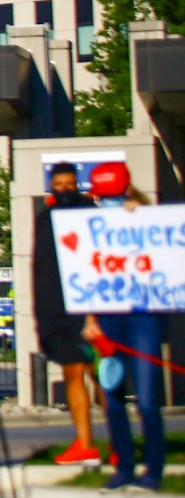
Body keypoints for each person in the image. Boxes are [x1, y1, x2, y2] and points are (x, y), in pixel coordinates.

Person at [78, 161, 165, 492]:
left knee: (146, 399)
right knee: (112, 396)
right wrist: (90, 321)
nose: (104, 202)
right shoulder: (92, 227)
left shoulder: (146, 222)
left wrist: (140, 218)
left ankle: (153, 469)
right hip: (107, 319)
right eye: (101, 196)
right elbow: (85, 274)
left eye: (110, 195)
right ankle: (124, 467)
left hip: (143, 317)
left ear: (126, 192)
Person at [32, 162, 100, 467]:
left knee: (100, 376)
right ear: (51, 186)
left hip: (87, 307)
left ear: (77, 184)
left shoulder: (91, 213)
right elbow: (42, 267)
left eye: (69, 184)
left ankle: (119, 441)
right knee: (72, 371)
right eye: (58, 185)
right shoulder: (44, 219)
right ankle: (84, 442)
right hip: (55, 308)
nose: (64, 190)